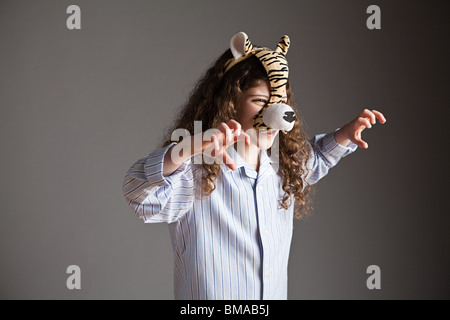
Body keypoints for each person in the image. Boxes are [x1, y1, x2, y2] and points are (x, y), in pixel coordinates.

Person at [122, 32, 386, 300]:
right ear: (228, 103)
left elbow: (315, 159)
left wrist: (344, 135)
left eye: (280, 101)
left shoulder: (283, 166)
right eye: (259, 101)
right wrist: (187, 147)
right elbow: (138, 193)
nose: (276, 113)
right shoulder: (197, 171)